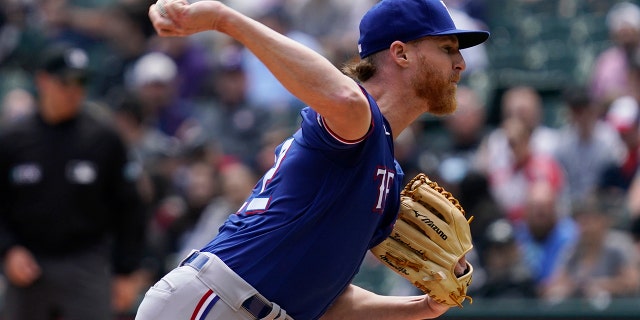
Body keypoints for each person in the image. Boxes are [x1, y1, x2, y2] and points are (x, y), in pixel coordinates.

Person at [138, 0, 489, 319]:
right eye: (446, 49)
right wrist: (223, 18)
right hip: (214, 302)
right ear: (401, 54)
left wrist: (423, 308)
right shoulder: (356, 120)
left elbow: (328, 297)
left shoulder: (387, 170)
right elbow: (345, 96)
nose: (460, 63)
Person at [0, 43, 147, 319]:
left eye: (82, 82)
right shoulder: (12, 139)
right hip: (28, 263)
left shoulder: (103, 138)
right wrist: (7, 250)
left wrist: (126, 270)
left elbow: (130, 207)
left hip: (86, 263)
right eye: (65, 82)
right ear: (43, 80)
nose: (74, 90)